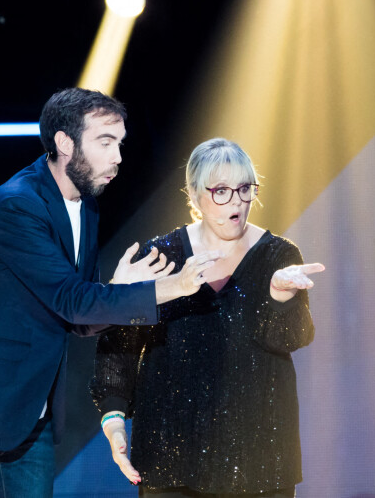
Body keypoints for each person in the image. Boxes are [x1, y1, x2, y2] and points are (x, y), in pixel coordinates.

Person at [0, 88, 220, 498]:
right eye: (105, 142)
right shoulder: (17, 205)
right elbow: (74, 299)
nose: (118, 157)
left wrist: (115, 290)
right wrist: (169, 287)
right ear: (64, 143)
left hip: (31, 416)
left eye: (120, 143)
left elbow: (78, 317)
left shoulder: (86, 206)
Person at [90, 137, 325, 498]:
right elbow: (119, 344)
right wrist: (114, 419)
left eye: (245, 189)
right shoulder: (162, 256)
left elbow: (293, 337)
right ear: (195, 194)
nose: (236, 202)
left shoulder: (279, 255)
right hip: (171, 455)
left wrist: (279, 297)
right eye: (221, 191)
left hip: (258, 460)